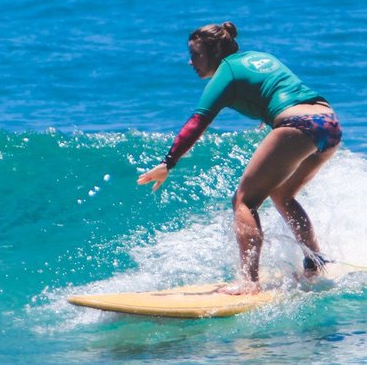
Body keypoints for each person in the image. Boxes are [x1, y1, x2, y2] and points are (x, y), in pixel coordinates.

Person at [137, 22, 342, 294]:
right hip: (329, 123)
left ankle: (249, 282)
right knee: (283, 194)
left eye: (196, 55)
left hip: (297, 125)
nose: (190, 62)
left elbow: (198, 121)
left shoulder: (226, 71)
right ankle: (315, 263)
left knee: (244, 200)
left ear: (215, 52)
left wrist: (168, 162)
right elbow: (275, 90)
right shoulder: (261, 57)